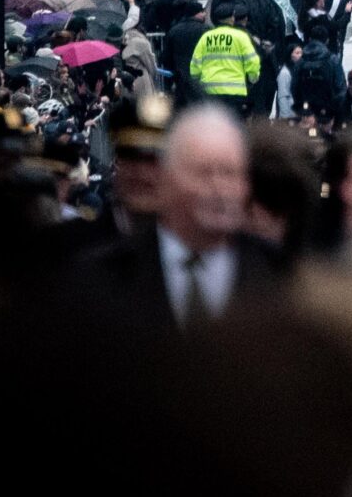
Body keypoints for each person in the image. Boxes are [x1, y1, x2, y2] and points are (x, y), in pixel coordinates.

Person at [69, 106, 282, 333]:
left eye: (230, 173)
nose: (219, 188)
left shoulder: (282, 275)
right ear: (170, 177)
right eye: (203, 173)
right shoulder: (98, 278)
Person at [187, 6, 262, 105]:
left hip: (210, 90)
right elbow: (252, 61)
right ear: (232, 18)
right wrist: (253, 78)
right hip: (235, 90)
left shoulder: (206, 37)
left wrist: (197, 79)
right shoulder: (240, 37)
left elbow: (195, 64)